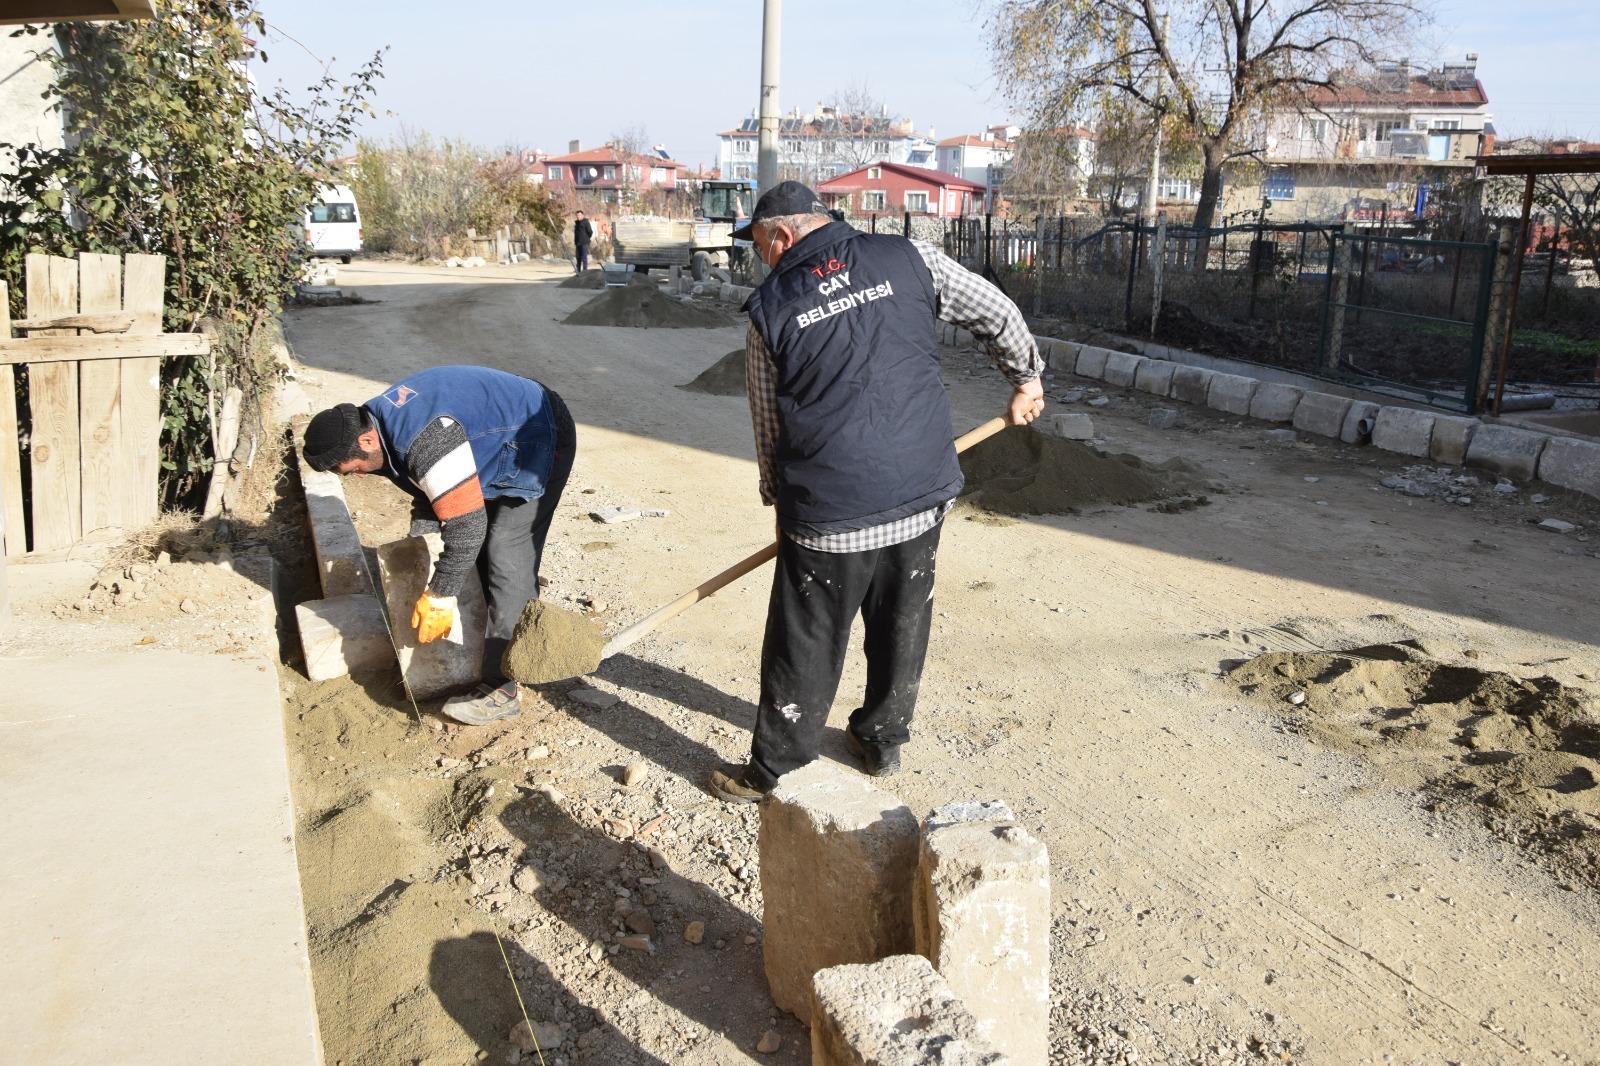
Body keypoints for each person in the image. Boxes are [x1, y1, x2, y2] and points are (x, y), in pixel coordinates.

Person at [708, 182, 1045, 803]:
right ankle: (883, 738)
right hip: (922, 492)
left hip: (830, 513)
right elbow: (995, 310)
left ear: (780, 236)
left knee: (806, 636)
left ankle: (777, 770)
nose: (761, 260)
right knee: (903, 616)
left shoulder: (770, 308)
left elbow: (768, 424)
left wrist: (783, 503)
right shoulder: (909, 257)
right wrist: (1026, 377)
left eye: (759, 247)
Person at [302, 366, 576, 726]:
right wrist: (422, 553)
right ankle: (491, 638)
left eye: (350, 468)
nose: (353, 476)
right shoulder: (373, 427)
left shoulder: (423, 439)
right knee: (473, 554)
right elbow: (428, 493)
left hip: (537, 435)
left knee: (505, 554)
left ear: (366, 441)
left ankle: (503, 685)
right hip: (495, 443)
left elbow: (466, 525)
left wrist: (441, 593)